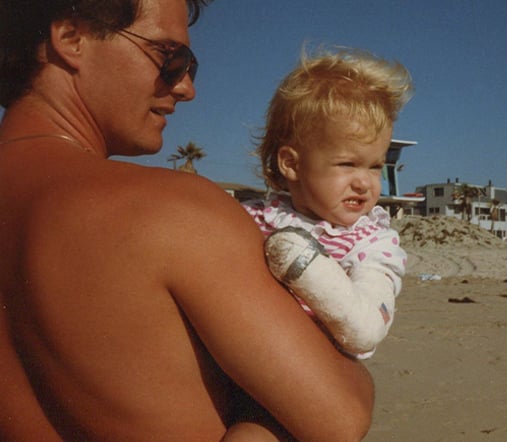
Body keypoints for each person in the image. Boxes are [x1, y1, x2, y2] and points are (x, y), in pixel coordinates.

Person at [0, 1, 374, 440]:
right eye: (169, 57)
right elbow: (339, 415)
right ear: (70, 39)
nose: (186, 88)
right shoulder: (172, 210)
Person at [243, 47, 413, 358]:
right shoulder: (254, 219)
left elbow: (366, 329)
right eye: (347, 164)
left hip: (315, 364)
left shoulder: (373, 242)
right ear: (291, 164)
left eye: (375, 166)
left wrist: (307, 269)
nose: (364, 182)